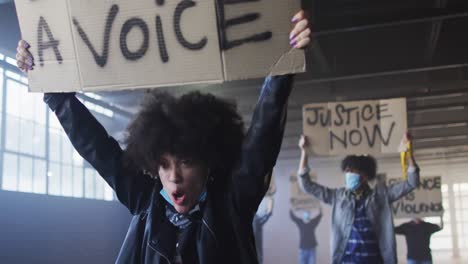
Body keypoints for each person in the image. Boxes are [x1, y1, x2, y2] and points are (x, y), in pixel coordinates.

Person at [16, 10, 311, 264]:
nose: (174, 178)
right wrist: (50, 85)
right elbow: (97, 148)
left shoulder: (232, 203)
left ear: (209, 161)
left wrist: (282, 68)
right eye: (164, 164)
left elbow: (263, 138)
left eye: (185, 162)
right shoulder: (145, 200)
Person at [296, 134, 420, 264]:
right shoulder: (337, 197)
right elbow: (306, 185)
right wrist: (304, 152)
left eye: (351, 171)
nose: (348, 175)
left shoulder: (382, 196)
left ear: (364, 175)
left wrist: (408, 152)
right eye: (346, 171)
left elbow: (412, 182)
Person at [252, 195, 274, 264]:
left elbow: (266, 217)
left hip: (256, 246)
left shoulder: (256, 219)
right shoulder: (254, 218)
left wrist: (269, 212)